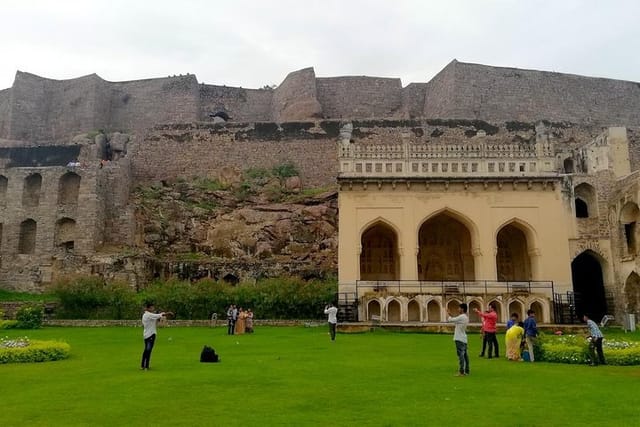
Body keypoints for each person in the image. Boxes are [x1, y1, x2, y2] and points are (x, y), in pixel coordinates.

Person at [141, 303, 170, 370]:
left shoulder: (145, 315)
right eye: (151, 308)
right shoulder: (148, 315)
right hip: (150, 334)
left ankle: (143, 365)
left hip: (146, 334)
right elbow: (158, 315)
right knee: (148, 350)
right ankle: (146, 366)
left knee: (146, 350)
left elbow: (156, 318)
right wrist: (168, 313)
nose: (153, 309)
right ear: (148, 308)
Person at [447, 302, 469, 376]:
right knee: (465, 355)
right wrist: (451, 315)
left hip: (459, 338)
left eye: (459, 308)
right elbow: (455, 320)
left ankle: (461, 371)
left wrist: (449, 314)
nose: (458, 309)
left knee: (461, 355)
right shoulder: (465, 317)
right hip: (464, 338)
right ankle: (467, 370)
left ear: (462, 309)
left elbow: (450, 320)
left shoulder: (462, 317)